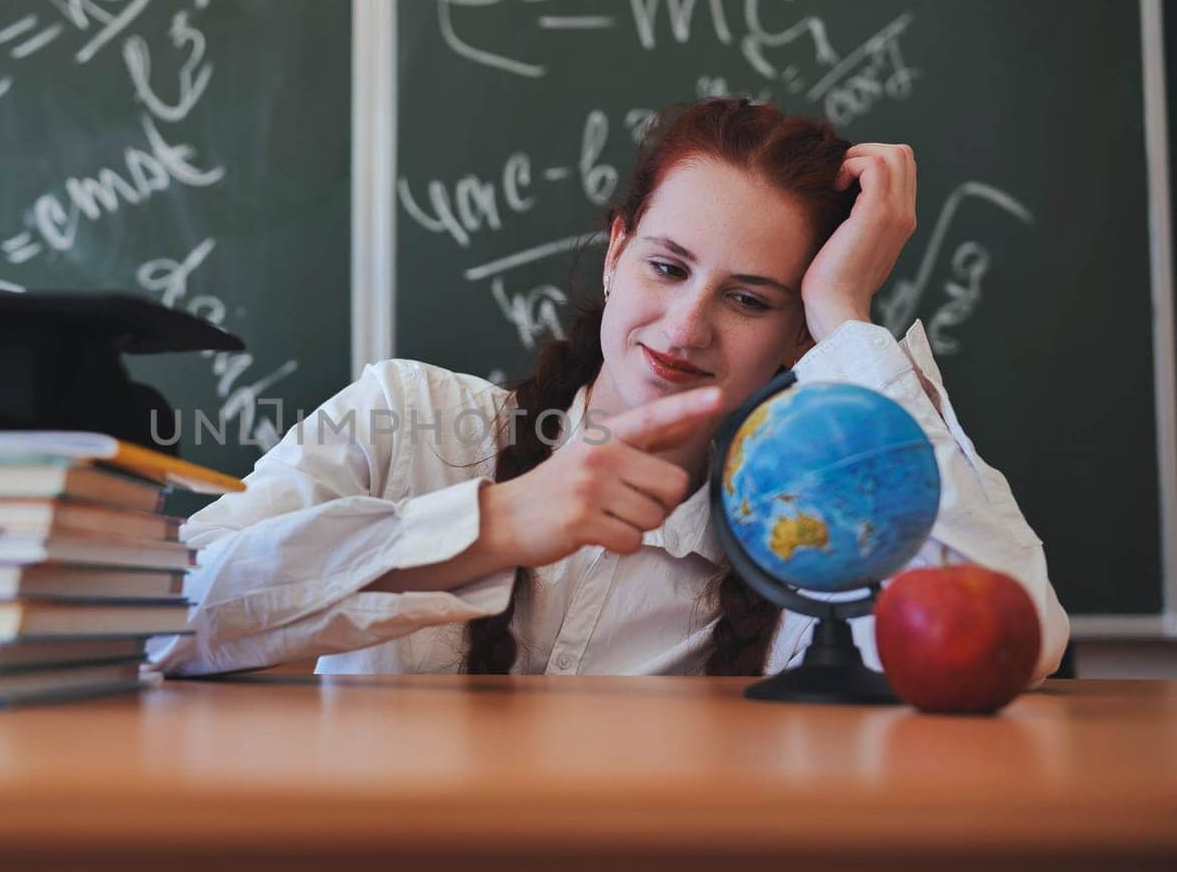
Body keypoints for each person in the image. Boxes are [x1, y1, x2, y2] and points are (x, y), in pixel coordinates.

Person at [148, 97, 1069, 681]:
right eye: (667, 267)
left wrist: (848, 315)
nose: (684, 328)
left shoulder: (805, 539)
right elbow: (154, 621)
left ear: (797, 335)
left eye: (749, 300)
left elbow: (1014, 636)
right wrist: (492, 528)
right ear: (619, 249)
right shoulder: (411, 423)